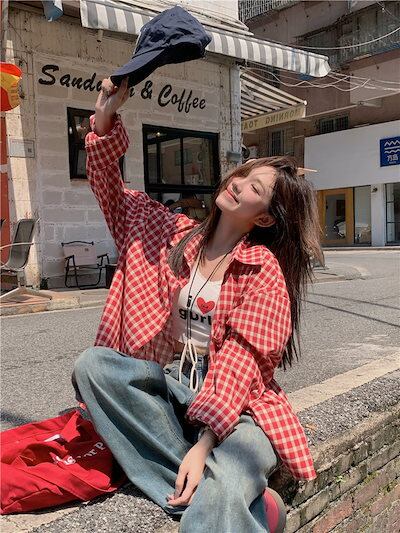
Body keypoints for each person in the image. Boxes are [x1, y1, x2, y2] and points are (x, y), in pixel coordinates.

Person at [72, 77, 323, 533]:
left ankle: (210, 485)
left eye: (254, 188)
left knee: (234, 464)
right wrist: (105, 121)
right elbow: (111, 193)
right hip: (171, 384)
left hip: (238, 404)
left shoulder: (262, 269)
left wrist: (204, 444)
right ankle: (231, 495)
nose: (238, 184)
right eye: (242, 174)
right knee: (93, 366)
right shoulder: (169, 232)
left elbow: (242, 364)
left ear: (265, 217)